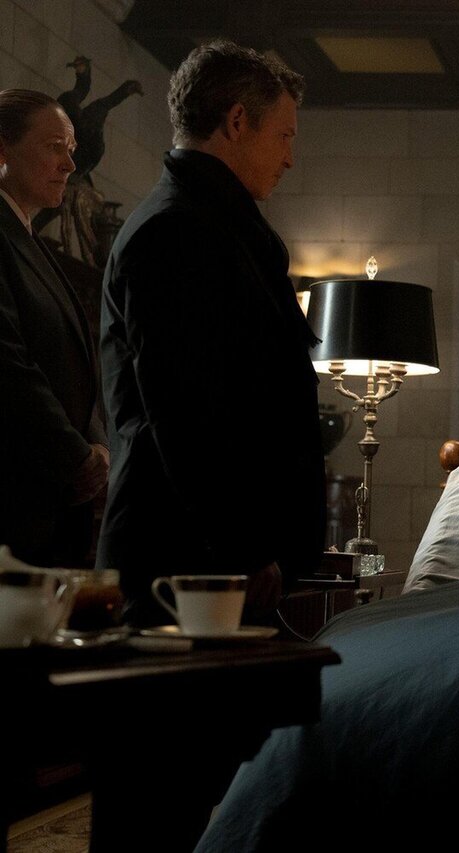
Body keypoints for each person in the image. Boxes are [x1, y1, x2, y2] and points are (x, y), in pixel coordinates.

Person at [98, 42, 324, 626]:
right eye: (284, 136)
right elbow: (185, 411)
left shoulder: (220, 228)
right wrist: (245, 546)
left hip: (216, 557)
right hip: (186, 562)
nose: (290, 158)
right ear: (237, 120)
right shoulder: (175, 230)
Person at [0, 89, 108, 566]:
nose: (69, 164)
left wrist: (97, 443)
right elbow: (7, 362)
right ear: (2, 149)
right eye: (53, 147)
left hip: (54, 503)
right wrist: (76, 456)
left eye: (72, 149)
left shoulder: (32, 241)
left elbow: (76, 364)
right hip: (16, 504)